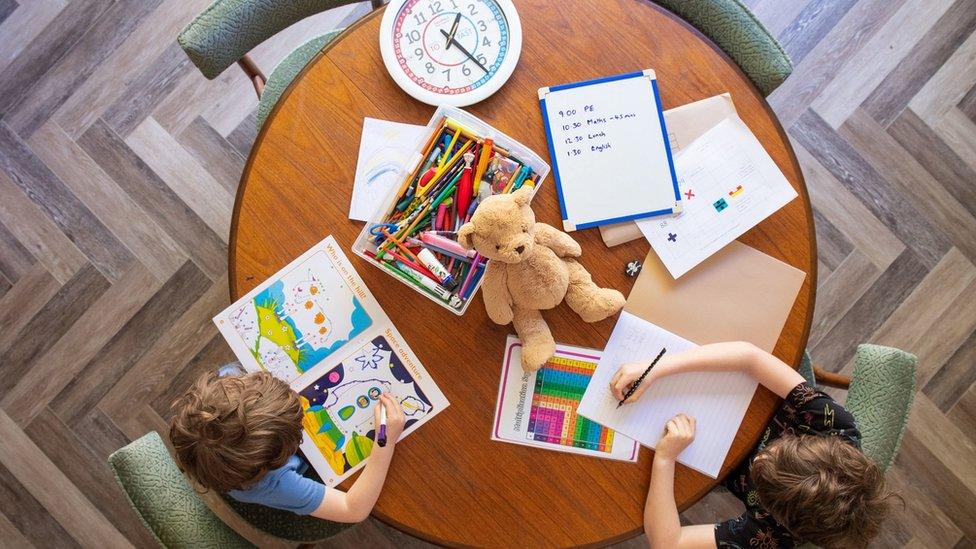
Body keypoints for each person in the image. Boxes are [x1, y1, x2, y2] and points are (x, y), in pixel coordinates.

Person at [610, 342, 894, 548]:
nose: (759, 459)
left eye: (763, 477)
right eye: (778, 449)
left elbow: (667, 543)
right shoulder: (834, 426)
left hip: (703, 462)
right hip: (738, 398)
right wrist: (656, 369)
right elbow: (750, 357)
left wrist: (664, 459)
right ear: (812, 441)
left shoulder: (776, 534)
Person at [169, 368, 405, 522]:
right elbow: (353, 509)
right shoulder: (275, 484)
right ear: (280, 455)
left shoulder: (227, 382)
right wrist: (384, 440)